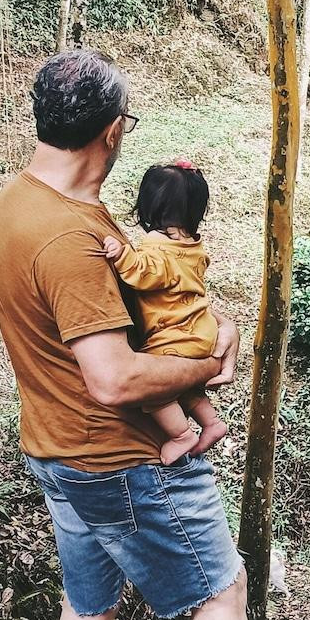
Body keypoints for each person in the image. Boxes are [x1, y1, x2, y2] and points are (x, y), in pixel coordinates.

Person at [0, 47, 302, 620]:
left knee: (87, 607)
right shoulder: (68, 239)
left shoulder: (17, 205)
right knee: (221, 596)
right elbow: (115, 379)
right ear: (113, 131)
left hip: (55, 450)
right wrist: (205, 376)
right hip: (120, 458)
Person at [102, 161, 228, 462]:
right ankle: (212, 423)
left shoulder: (157, 248)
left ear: (149, 206)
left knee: (154, 389)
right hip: (202, 330)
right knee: (183, 386)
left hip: (173, 335)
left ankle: (181, 435)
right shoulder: (194, 247)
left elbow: (143, 273)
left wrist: (122, 256)